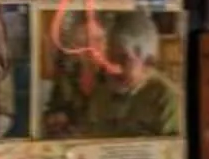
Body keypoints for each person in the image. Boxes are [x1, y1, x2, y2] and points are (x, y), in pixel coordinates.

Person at [71, 8, 183, 137]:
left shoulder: (166, 99)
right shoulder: (102, 91)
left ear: (148, 62)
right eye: (109, 57)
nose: (112, 67)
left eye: (123, 59)